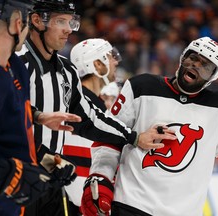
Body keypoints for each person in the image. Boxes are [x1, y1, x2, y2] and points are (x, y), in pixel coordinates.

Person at [17, 1, 175, 215]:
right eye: (60, 21)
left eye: (71, 21)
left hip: (52, 181)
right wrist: (48, 160)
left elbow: (90, 118)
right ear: (37, 20)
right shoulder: (16, 62)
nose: (69, 29)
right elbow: (9, 121)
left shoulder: (67, 71)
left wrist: (135, 137)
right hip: (15, 177)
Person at [81, 37, 218, 216]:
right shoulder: (141, 87)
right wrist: (100, 176)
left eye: (205, 66)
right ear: (183, 58)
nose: (196, 65)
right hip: (131, 204)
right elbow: (109, 139)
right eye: (193, 58)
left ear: (213, 77)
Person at [0, 0, 73, 215]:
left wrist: (46, 161)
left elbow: (8, 135)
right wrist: (6, 174)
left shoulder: (15, 66)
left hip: (9, 207)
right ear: (16, 23)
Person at [63, 38, 121, 214]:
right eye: (111, 56)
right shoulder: (84, 104)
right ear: (97, 64)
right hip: (77, 199)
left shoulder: (89, 101)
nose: (115, 61)